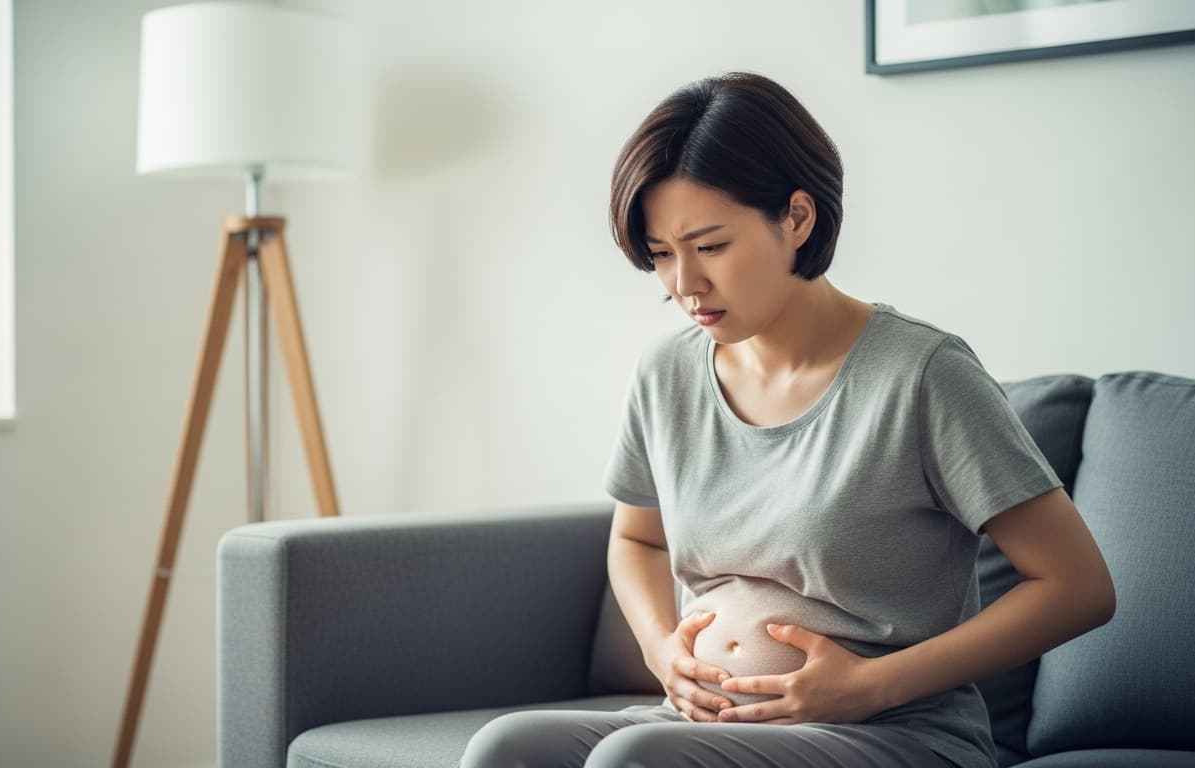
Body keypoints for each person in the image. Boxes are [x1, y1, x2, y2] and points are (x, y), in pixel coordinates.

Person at [460, 71, 1115, 768]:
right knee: (507, 748)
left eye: (710, 246)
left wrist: (870, 684)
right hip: (696, 725)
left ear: (797, 218)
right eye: (660, 255)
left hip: (891, 732)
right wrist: (661, 651)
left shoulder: (923, 375)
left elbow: (1077, 587)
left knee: (635, 762)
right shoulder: (666, 374)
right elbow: (637, 541)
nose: (683, 285)